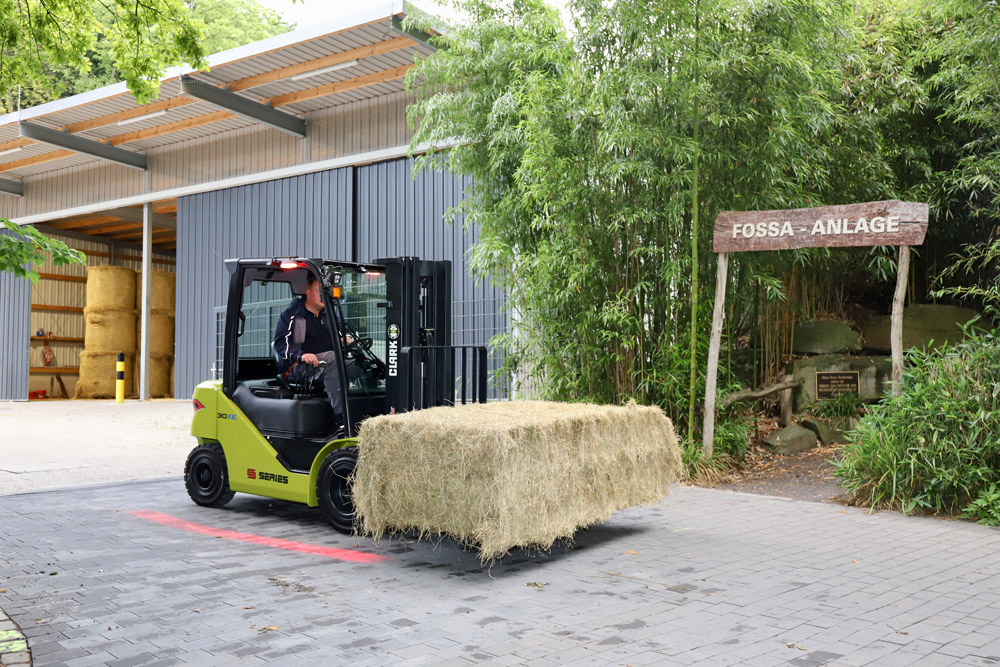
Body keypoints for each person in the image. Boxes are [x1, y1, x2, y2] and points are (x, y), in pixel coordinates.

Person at [273, 273, 354, 431]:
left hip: (326, 363)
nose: (324, 296)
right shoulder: (292, 315)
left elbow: (339, 334)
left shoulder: (329, 315)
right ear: (308, 292)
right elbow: (281, 344)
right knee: (332, 358)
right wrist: (301, 355)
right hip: (299, 366)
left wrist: (343, 340)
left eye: (325, 292)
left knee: (360, 362)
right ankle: (342, 417)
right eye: (320, 291)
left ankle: (369, 409)